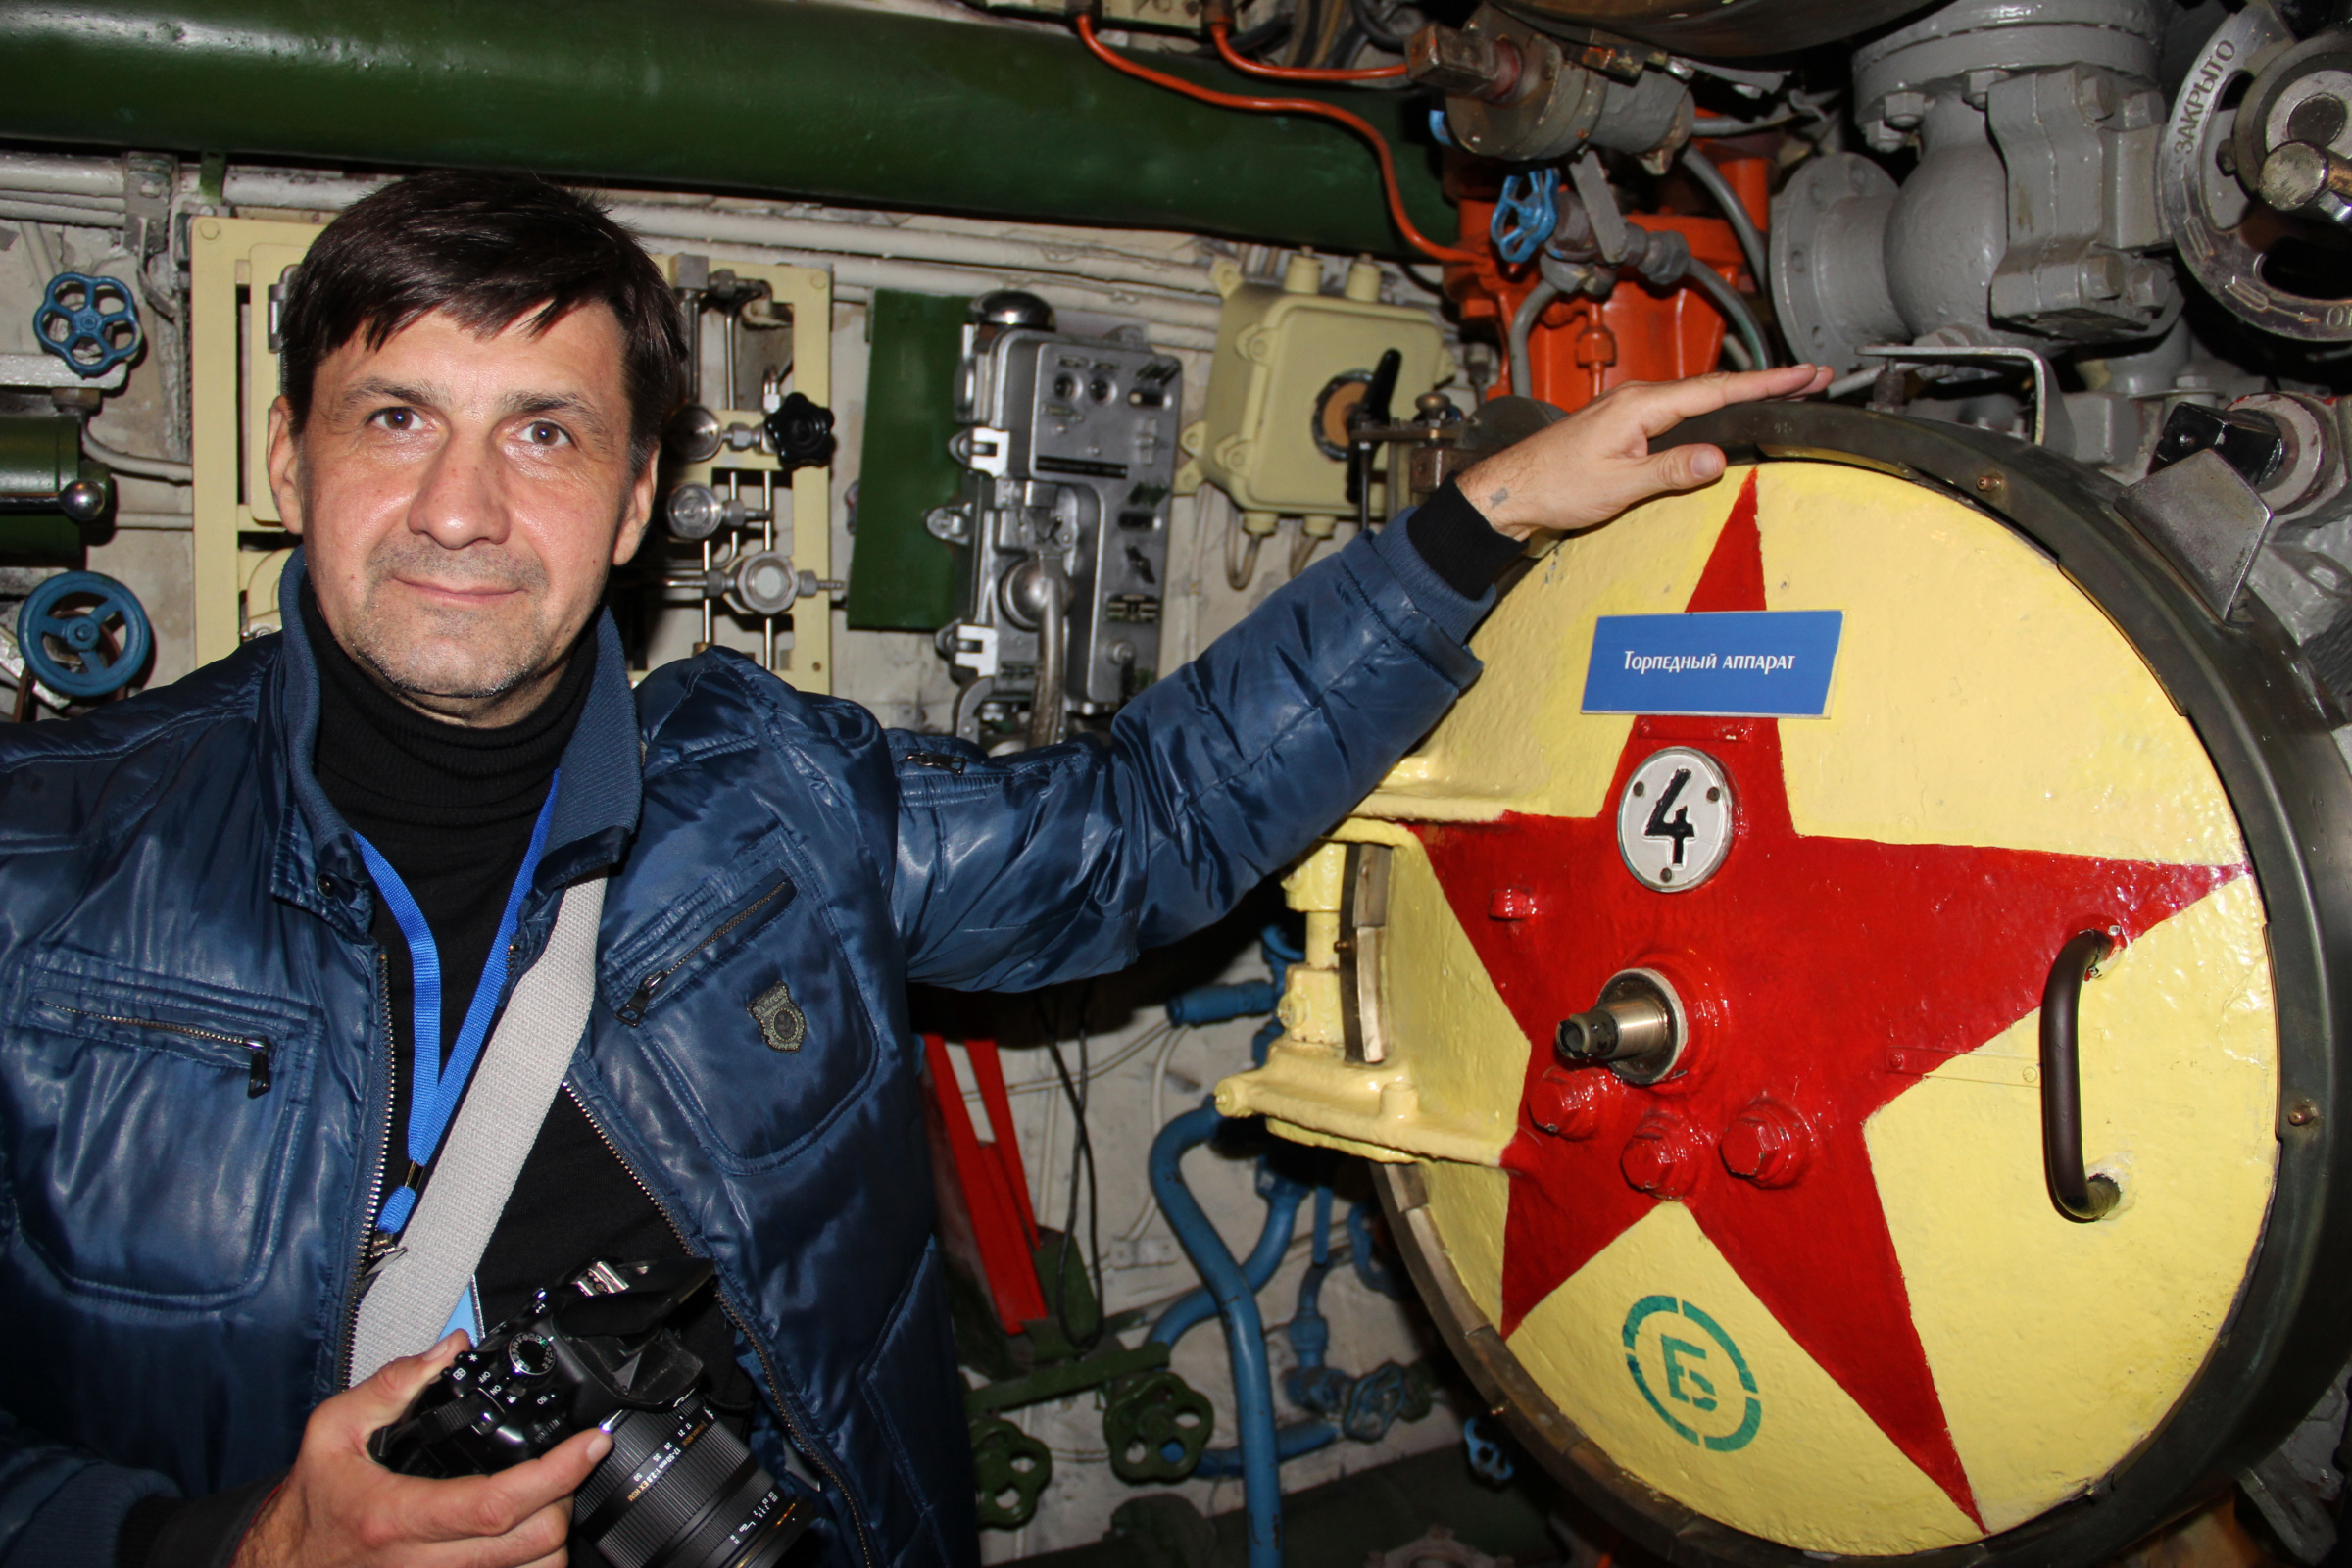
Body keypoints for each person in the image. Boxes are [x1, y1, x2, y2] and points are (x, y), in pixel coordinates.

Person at [0, 168, 1827, 1568]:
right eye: (396, 417)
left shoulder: (770, 798)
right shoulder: (38, 861)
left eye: (542, 432)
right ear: (288, 459)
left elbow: (1143, 826)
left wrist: (1478, 523)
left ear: (635, 507)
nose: (462, 508)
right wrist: (233, 1548)